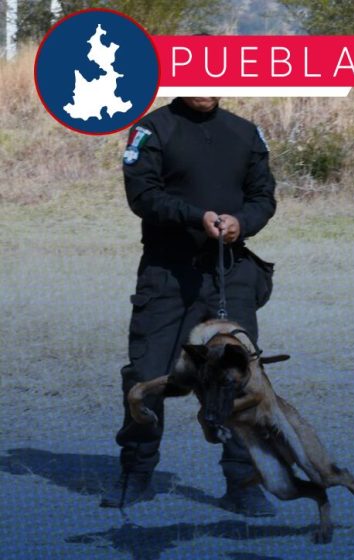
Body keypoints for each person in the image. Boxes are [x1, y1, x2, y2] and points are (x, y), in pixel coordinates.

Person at [101, 97, 278, 516]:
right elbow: (142, 195)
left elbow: (263, 196)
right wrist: (196, 216)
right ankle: (136, 474)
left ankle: (243, 482)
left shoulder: (245, 132)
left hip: (228, 273)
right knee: (146, 376)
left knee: (236, 377)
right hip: (167, 276)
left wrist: (242, 222)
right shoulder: (153, 129)